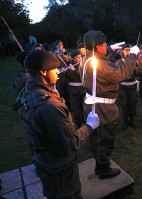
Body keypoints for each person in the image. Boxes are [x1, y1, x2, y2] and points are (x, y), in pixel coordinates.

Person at [13, 50, 100, 199]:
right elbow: (68, 146)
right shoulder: (48, 108)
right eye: (54, 69)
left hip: (45, 164)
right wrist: (90, 126)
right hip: (60, 172)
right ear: (43, 72)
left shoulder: (28, 91)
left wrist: (52, 92)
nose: (58, 73)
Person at [82, 30, 139, 179]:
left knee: (95, 138)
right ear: (99, 47)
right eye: (105, 44)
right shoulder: (100, 65)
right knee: (106, 140)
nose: (107, 45)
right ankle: (103, 169)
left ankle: (98, 162)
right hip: (104, 110)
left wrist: (110, 49)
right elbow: (122, 73)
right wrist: (133, 54)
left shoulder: (87, 59)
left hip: (90, 105)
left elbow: (102, 59)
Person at [117, 44, 139, 129]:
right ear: (122, 51)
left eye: (129, 50)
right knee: (124, 104)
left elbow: (139, 72)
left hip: (132, 87)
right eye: (126, 50)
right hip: (123, 87)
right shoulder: (119, 61)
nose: (128, 51)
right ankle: (125, 120)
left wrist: (134, 68)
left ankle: (132, 120)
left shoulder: (134, 61)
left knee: (133, 104)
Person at [62, 49, 86, 128]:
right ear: (72, 58)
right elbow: (63, 80)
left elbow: (83, 77)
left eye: (80, 57)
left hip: (83, 90)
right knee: (76, 109)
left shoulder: (84, 66)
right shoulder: (68, 66)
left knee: (84, 108)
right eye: (77, 57)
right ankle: (79, 124)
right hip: (73, 92)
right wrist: (63, 71)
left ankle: (86, 123)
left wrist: (75, 70)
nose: (80, 59)